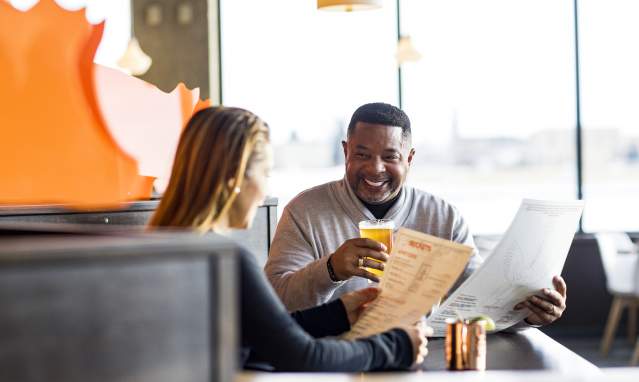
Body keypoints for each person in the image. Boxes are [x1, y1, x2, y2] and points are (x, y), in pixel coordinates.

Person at [148, 106, 429, 371]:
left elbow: (260, 336)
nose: (264, 192)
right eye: (265, 174)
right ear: (235, 178)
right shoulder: (225, 259)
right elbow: (304, 357)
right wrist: (396, 345)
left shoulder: (159, 250)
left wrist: (337, 315)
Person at [265, 102, 567, 328]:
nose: (375, 168)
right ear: (345, 152)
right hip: (329, 358)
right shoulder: (304, 211)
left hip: (416, 355)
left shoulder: (443, 218)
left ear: (409, 158)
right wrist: (330, 270)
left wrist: (531, 313)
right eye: (361, 154)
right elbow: (274, 303)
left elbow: (477, 304)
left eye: (390, 156)